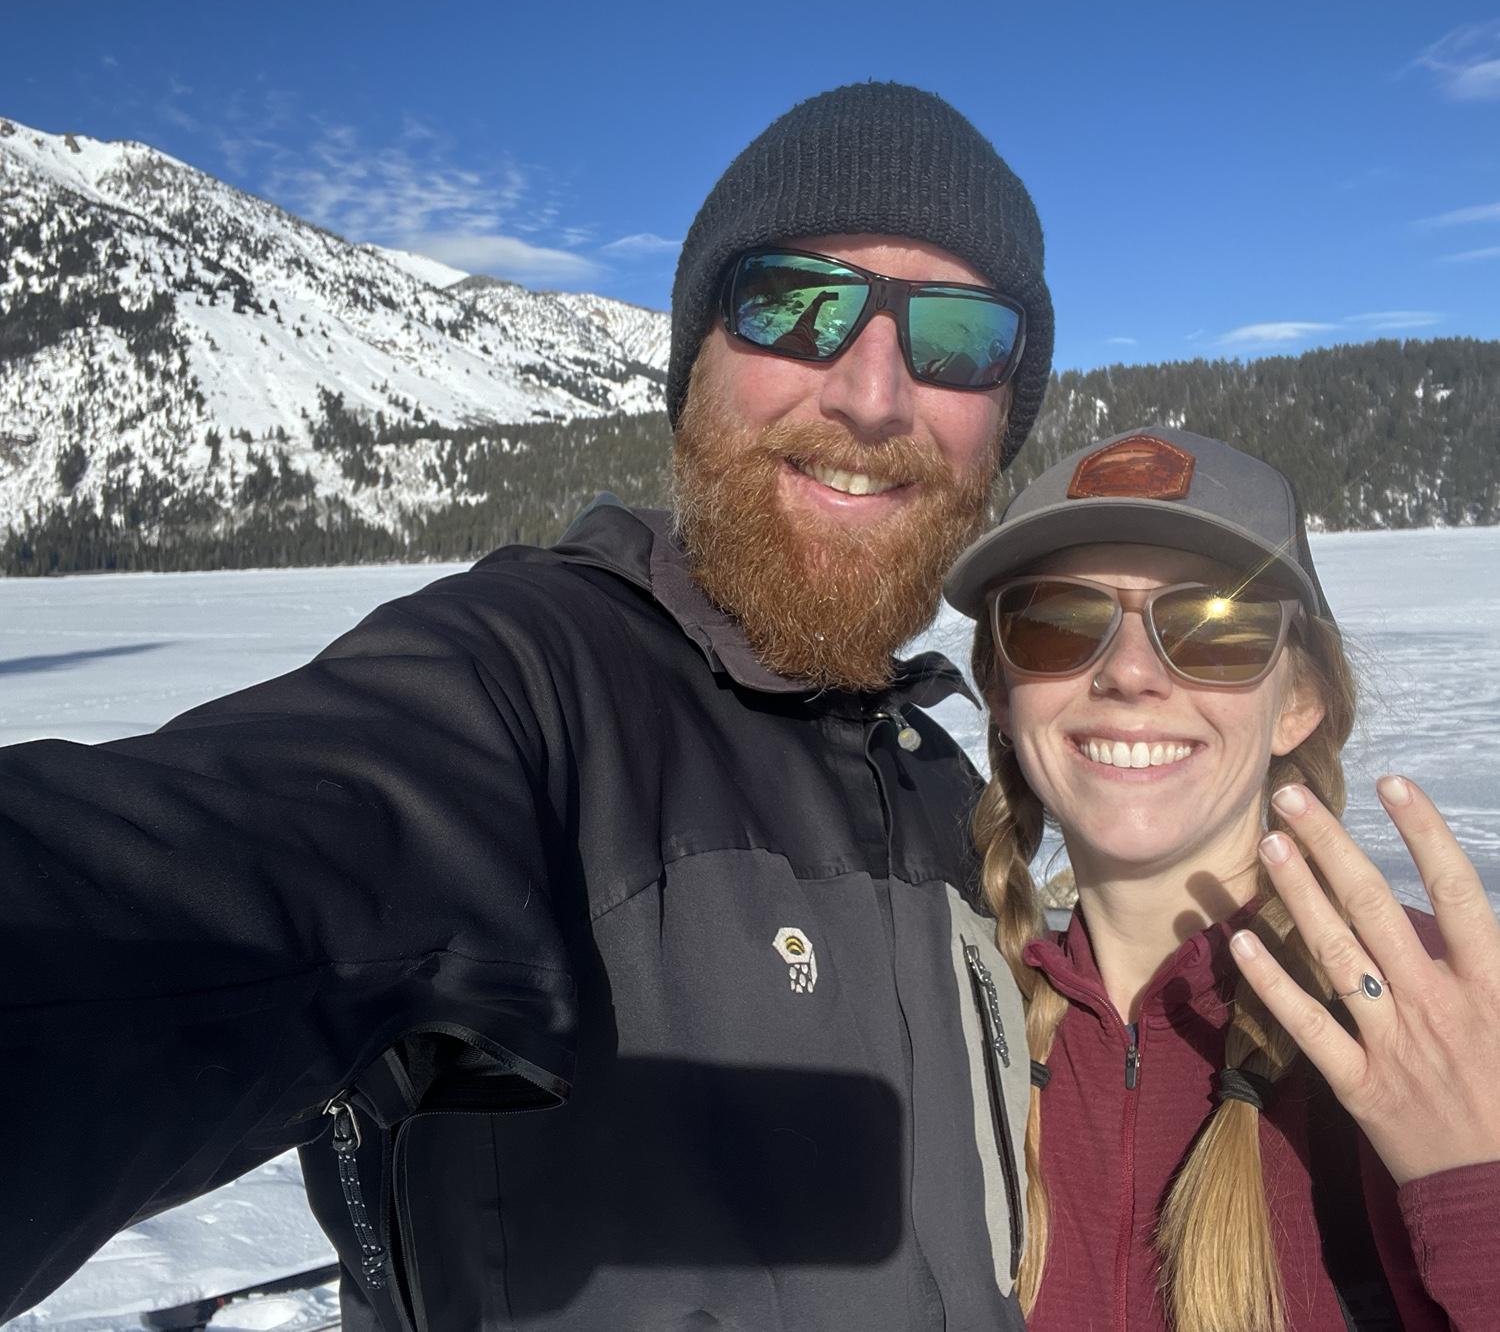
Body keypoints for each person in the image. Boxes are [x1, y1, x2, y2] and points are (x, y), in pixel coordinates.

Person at [0, 82, 1053, 1331]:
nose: (873, 395)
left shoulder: (951, 787)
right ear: (694, 366)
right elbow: (203, 874)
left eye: (961, 336)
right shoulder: (525, 688)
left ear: (1005, 418)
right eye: (796, 305)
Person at [943, 426, 1500, 1332]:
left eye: (1216, 626)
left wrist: (1479, 1195)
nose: (1128, 673)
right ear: (1004, 695)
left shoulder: (1442, 1012)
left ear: (1302, 702)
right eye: (1057, 621)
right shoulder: (958, 1030)